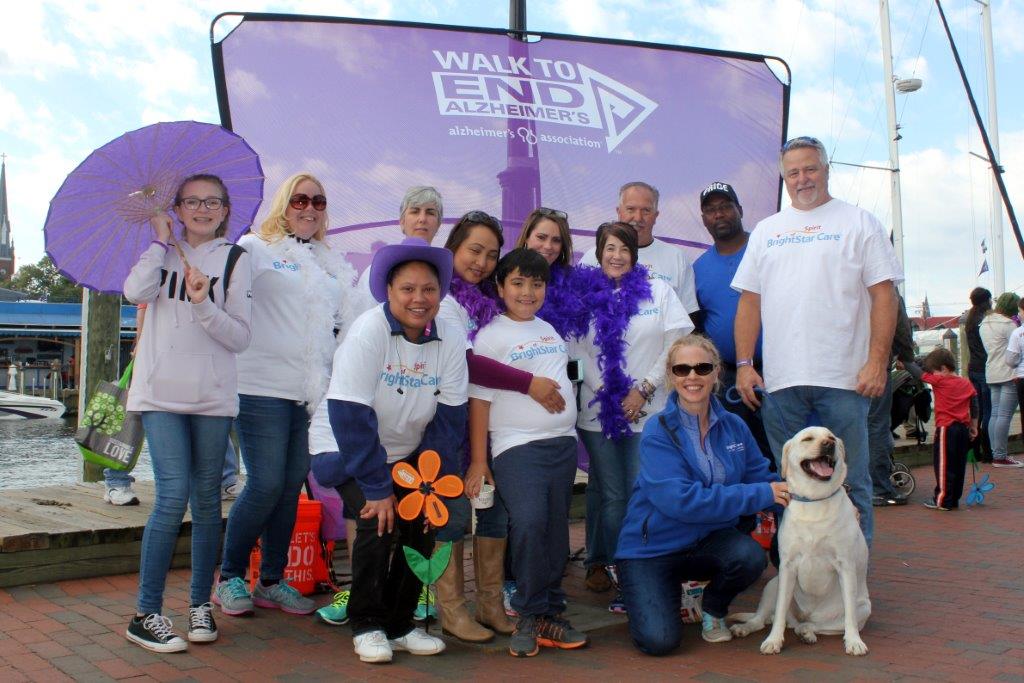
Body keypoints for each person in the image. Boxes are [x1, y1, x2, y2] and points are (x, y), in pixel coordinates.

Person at [733, 135, 902, 548]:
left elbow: (885, 295)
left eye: (810, 169)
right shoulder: (767, 231)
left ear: (826, 170)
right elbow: (750, 302)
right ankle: (802, 582)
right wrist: (743, 364)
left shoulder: (860, 222)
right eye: (793, 172)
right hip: (782, 385)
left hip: (846, 380)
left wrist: (877, 362)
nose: (802, 178)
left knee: (852, 484)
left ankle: (852, 589)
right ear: (784, 177)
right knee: (791, 486)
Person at [310, 237, 466, 664]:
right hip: (343, 447)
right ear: (389, 292)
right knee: (377, 520)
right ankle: (367, 624)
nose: (419, 299)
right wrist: (378, 489)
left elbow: (450, 418)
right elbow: (349, 415)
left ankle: (399, 624)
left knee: (420, 521)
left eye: (429, 289)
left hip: (405, 451)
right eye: (408, 289)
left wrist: (430, 483)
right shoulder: (368, 331)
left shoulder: (450, 338)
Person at [214, 173, 360, 617]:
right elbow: (223, 299)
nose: (309, 207)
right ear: (284, 204)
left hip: (309, 392)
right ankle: (231, 576)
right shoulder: (256, 248)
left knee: (292, 485)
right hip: (259, 385)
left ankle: (272, 581)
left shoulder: (329, 260)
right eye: (300, 199)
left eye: (318, 200)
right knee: (265, 482)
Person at [122, 173, 252, 652]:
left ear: (224, 210)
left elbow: (240, 336)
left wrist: (203, 304)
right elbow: (136, 292)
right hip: (159, 394)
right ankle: (146, 613)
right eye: (192, 201)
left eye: (212, 202)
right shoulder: (160, 253)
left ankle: (200, 605)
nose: (202, 209)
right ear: (176, 208)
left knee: (205, 500)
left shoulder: (236, 259)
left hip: (213, 397)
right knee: (172, 495)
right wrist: (159, 242)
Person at [616, 335, 785, 656]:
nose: (692, 376)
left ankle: (713, 608)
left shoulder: (735, 426)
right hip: (652, 550)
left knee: (748, 556)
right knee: (659, 642)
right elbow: (681, 502)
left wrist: (820, 499)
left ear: (716, 373)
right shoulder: (657, 430)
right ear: (671, 376)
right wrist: (760, 494)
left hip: (708, 541)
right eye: (682, 369)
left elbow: (766, 480)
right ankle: (649, 590)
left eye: (702, 367)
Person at [468, 248, 587, 657]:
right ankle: (530, 612)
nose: (527, 291)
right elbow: (479, 402)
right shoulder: (491, 336)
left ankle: (549, 611)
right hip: (516, 446)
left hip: (562, 444)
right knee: (531, 523)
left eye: (537, 284)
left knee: (555, 532)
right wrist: (480, 460)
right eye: (517, 282)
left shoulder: (548, 329)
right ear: (500, 287)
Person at [573, 221, 692, 612]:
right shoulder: (585, 297)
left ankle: (643, 572)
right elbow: (576, 351)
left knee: (643, 493)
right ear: (598, 252)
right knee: (612, 496)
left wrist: (643, 389)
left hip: (649, 411)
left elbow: (676, 344)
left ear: (634, 254)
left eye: (623, 248)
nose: (616, 255)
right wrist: (610, 393)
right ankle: (621, 572)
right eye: (609, 248)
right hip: (599, 414)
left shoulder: (659, 290)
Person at [516, 208, 609, 594]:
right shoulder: (509, 281)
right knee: (524, 497)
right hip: (518, 398)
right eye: (541, 237)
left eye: (556, 240)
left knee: (559, 491)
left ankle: (567, 570)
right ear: (526, 239)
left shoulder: (577, 284)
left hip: (567, 396)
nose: (548, 247)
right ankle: (517, 577)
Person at [691, 182, 773, 468]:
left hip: (777, 368)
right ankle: (752, 512)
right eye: (711, 210)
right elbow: (698, 327)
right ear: (703, 219)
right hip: (728, 377)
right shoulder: (698, 268)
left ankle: (789, 511)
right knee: (741, 454)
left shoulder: (767, 249)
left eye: (725, 207)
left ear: (739, 210)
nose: (719, 214)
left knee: (785, 448)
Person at [581, 181, 699, 321]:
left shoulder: (677, 258)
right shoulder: (593, 256)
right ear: (619, 212)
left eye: (646, 211)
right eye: (631, 209)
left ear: (656, 216)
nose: (638, 218)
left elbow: (690, 316)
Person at [905, 348, 978, 510]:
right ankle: (954, 498)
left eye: (935, 371)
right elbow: (974, 404)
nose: (933, 375)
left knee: (944, 465)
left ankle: (943, 499)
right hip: (963, 429)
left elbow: (918, 372)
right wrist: (973, 426)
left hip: (946, 429)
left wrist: (904, 360)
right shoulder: (966, 383)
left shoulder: (940, 381)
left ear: (944, 369)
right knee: (959, 465)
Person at [868, 293, 915, 506]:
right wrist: (906, 356)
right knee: (877, 425)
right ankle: (878, 487)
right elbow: (901, 327)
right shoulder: (885, 289)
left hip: (838, 367)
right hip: (875, 364)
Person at [356, 186, 444, 297]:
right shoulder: (374, 273)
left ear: (438, 224)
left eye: (430, 213)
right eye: (415, 211)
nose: (422, 219)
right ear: (402, 222)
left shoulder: (446, 275)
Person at [980, 292, 1024, 468]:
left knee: (995, 414)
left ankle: (994, 452)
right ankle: (1000, 455)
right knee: (1005, 415)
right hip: (1009, 373)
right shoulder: (1009, 325)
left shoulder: (984, 323)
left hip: (991, 371)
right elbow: (1015, 352)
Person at [963, 287, 994, 462]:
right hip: (984, 368)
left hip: (973, 367)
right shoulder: (984, 320)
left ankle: (974, 450)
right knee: (989, 410)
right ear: (986, 300)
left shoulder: (969, 319)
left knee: (977, 411)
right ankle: (988, 450)